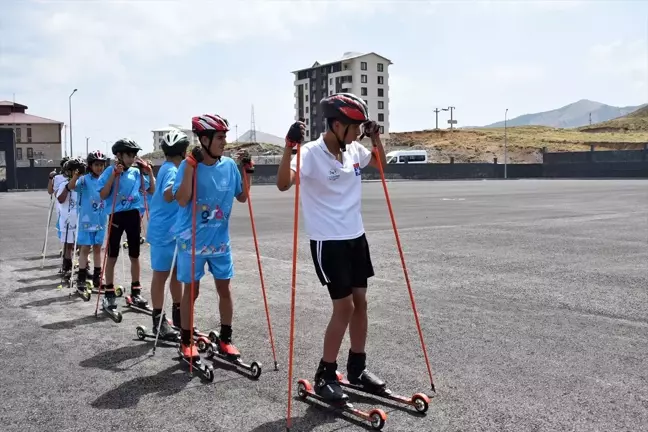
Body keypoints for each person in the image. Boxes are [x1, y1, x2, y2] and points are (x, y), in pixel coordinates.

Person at [276, 93, 388, 402]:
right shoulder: (311, 153)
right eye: (354, 127)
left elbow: (381, 165)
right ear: (337, 125)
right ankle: (325, 373)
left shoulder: (353, 148)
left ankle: (357, 368)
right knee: (345, 306)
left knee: (361, 303)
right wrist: (289, 148)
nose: (357, 133)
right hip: (329, 242)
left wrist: (375, 139)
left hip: (356, 237)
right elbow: (284, 182)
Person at [172, 114, 251, 360]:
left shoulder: (228, 166)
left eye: (224, 137)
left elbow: (242, 196)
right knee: (191, 293)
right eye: (219, 137)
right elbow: (182, 198)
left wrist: (247, 171)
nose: (224, 142)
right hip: (192, 242)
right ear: (204, 140)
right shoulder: (188, 166)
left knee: (224, 289)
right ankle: (186, 341)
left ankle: (226, 338)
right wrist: (190, 167)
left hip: (219, 243)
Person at [97, 138, 156, 313]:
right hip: (116, 215)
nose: (132, 158)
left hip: (133, 215)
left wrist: (150, 173)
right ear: (119, 155)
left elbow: (151, 190)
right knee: (112, 254)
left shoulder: (137, 173)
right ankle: (109, 293)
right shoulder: (110, 171)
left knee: (135, 255)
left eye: (134, 155)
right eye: (129, 155)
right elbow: (102, 194)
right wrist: (114, 176)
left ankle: (136, 292)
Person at [145, 129, 191, 342]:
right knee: (162, 275)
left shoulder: (167, 167)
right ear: (184, 152)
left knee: (173, 275)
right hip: (165, 232)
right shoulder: (173, 170)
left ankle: (176, 315)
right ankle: (159, 321)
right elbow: (167, 193)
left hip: (171, 230)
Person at [68, 151, 108, 293]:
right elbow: (72, 187)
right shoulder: (84, 180)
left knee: (97, 248)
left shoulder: (106, 179)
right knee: (85, 248)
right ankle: (81, 277)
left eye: (101, 165)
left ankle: (97, 277)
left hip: (101, 220)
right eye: (96, 165)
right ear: (90, 166)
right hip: (86, 220)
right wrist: (76, 176)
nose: (99, 168)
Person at [55, 158, 81, 283]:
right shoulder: (63, 184)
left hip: (81, 218)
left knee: (83, 244)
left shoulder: (83, 183)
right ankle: (67, 265)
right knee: (69, 244)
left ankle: (84, 266)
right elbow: (60, 199)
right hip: (67, 219)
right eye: (74, 170)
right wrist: (67, 187)